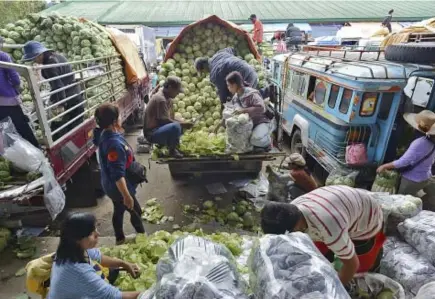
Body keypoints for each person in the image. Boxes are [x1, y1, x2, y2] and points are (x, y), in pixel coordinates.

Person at [261, 185, 385, 285]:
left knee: (359, 270)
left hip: (366, 218)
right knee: (317, 256)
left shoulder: (330, 228)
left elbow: (352, 264)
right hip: (342, 203)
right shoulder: (292, 210)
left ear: (296, 227)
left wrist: (334, 289)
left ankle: (374, 266)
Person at [47, 212, 142, 299]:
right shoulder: (79, 272)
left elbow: (99, 257)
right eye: (92, 233)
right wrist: (150, 293)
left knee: (113, 271)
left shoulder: (71, 248)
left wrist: (124, 264)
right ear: (78, 239)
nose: (98, 234)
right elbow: (113, 296)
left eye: (95, 229)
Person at [93, 103, 145, 245]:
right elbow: (117, 175)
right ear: (114, 121)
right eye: (119, 116)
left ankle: (120, 238)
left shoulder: (103, 133)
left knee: (119, 209)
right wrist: (126, 195)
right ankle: (142, 238)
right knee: (135, 210)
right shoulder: (114, 144)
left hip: (108, 183)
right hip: (117, 186)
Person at [22, 41, 84, 140]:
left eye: (34, 58)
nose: (34, 61)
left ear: (40, 54)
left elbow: (58, 86)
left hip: (68, 97)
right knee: (76, 125)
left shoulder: (49, 66)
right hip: (75, 93)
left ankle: (65, 149)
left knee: (61, 128)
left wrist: (60, 105)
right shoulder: (57, 56)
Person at [377, 110, 435, 210]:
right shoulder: (432, 141)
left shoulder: (420, 143)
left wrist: (384, 166)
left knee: (400, 205)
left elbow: (403, 162)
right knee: (411, 199)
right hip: (425, 177)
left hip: (411, 180)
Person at [0, 37, 39, 147]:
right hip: (8, 100)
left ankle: (15, 155)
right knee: (22, 127)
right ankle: (36, 151)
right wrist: (17, 87)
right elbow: (14, 77)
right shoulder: (2, 56)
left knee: (5, 131)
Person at [143, 76, 191, 158]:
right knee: (176, 126)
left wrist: (184, 122)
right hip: (152, 133)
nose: (178, 94)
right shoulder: (160, 99)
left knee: (180, 123)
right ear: (170, 88)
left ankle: (173, 147)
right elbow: (164, 120)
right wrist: (182, 124)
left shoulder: (169, 99)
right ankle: (172, 151)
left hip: (160, 129)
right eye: (177, 91)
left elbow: (171, 117)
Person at [226, 71, 272, 150]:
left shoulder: (252, 94)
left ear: (235, 85)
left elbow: (261, 108)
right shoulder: (236, 97)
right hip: (248, 125)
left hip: (260, 122)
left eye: (229, 85)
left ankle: (269, 141)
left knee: (254, 140)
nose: (228, 88)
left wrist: (243, 110)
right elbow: (233, 110)